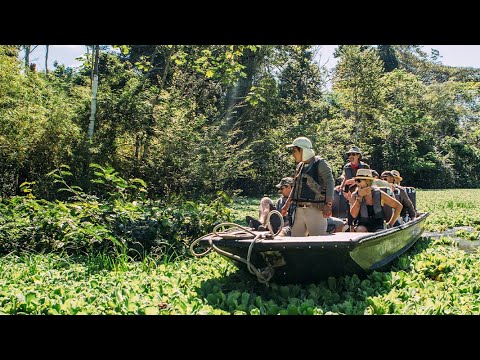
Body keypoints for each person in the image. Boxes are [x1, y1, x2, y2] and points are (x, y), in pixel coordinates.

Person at [281, 137, 335, 236]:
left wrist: (328, 204)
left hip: (315, 210)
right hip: (298, 211)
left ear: (302, 150)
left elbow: (330, 182)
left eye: (294, 150)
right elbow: (296, 186)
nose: (293, 154)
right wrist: (287, 205)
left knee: (318, 242)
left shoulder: (320, 163)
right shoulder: (300, 166)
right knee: (295, 243)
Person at [335, 145, 370, 231]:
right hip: (350, 193)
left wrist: (354, 181)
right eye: (349, 154)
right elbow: (346, 179)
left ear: (358, 156)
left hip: (362, 192)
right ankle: (351, 230)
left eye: (353, 154)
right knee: (350, 212)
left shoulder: (365, 166)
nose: (351, 156)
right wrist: (342, 187)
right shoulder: (347, 167)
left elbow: (369, 180)